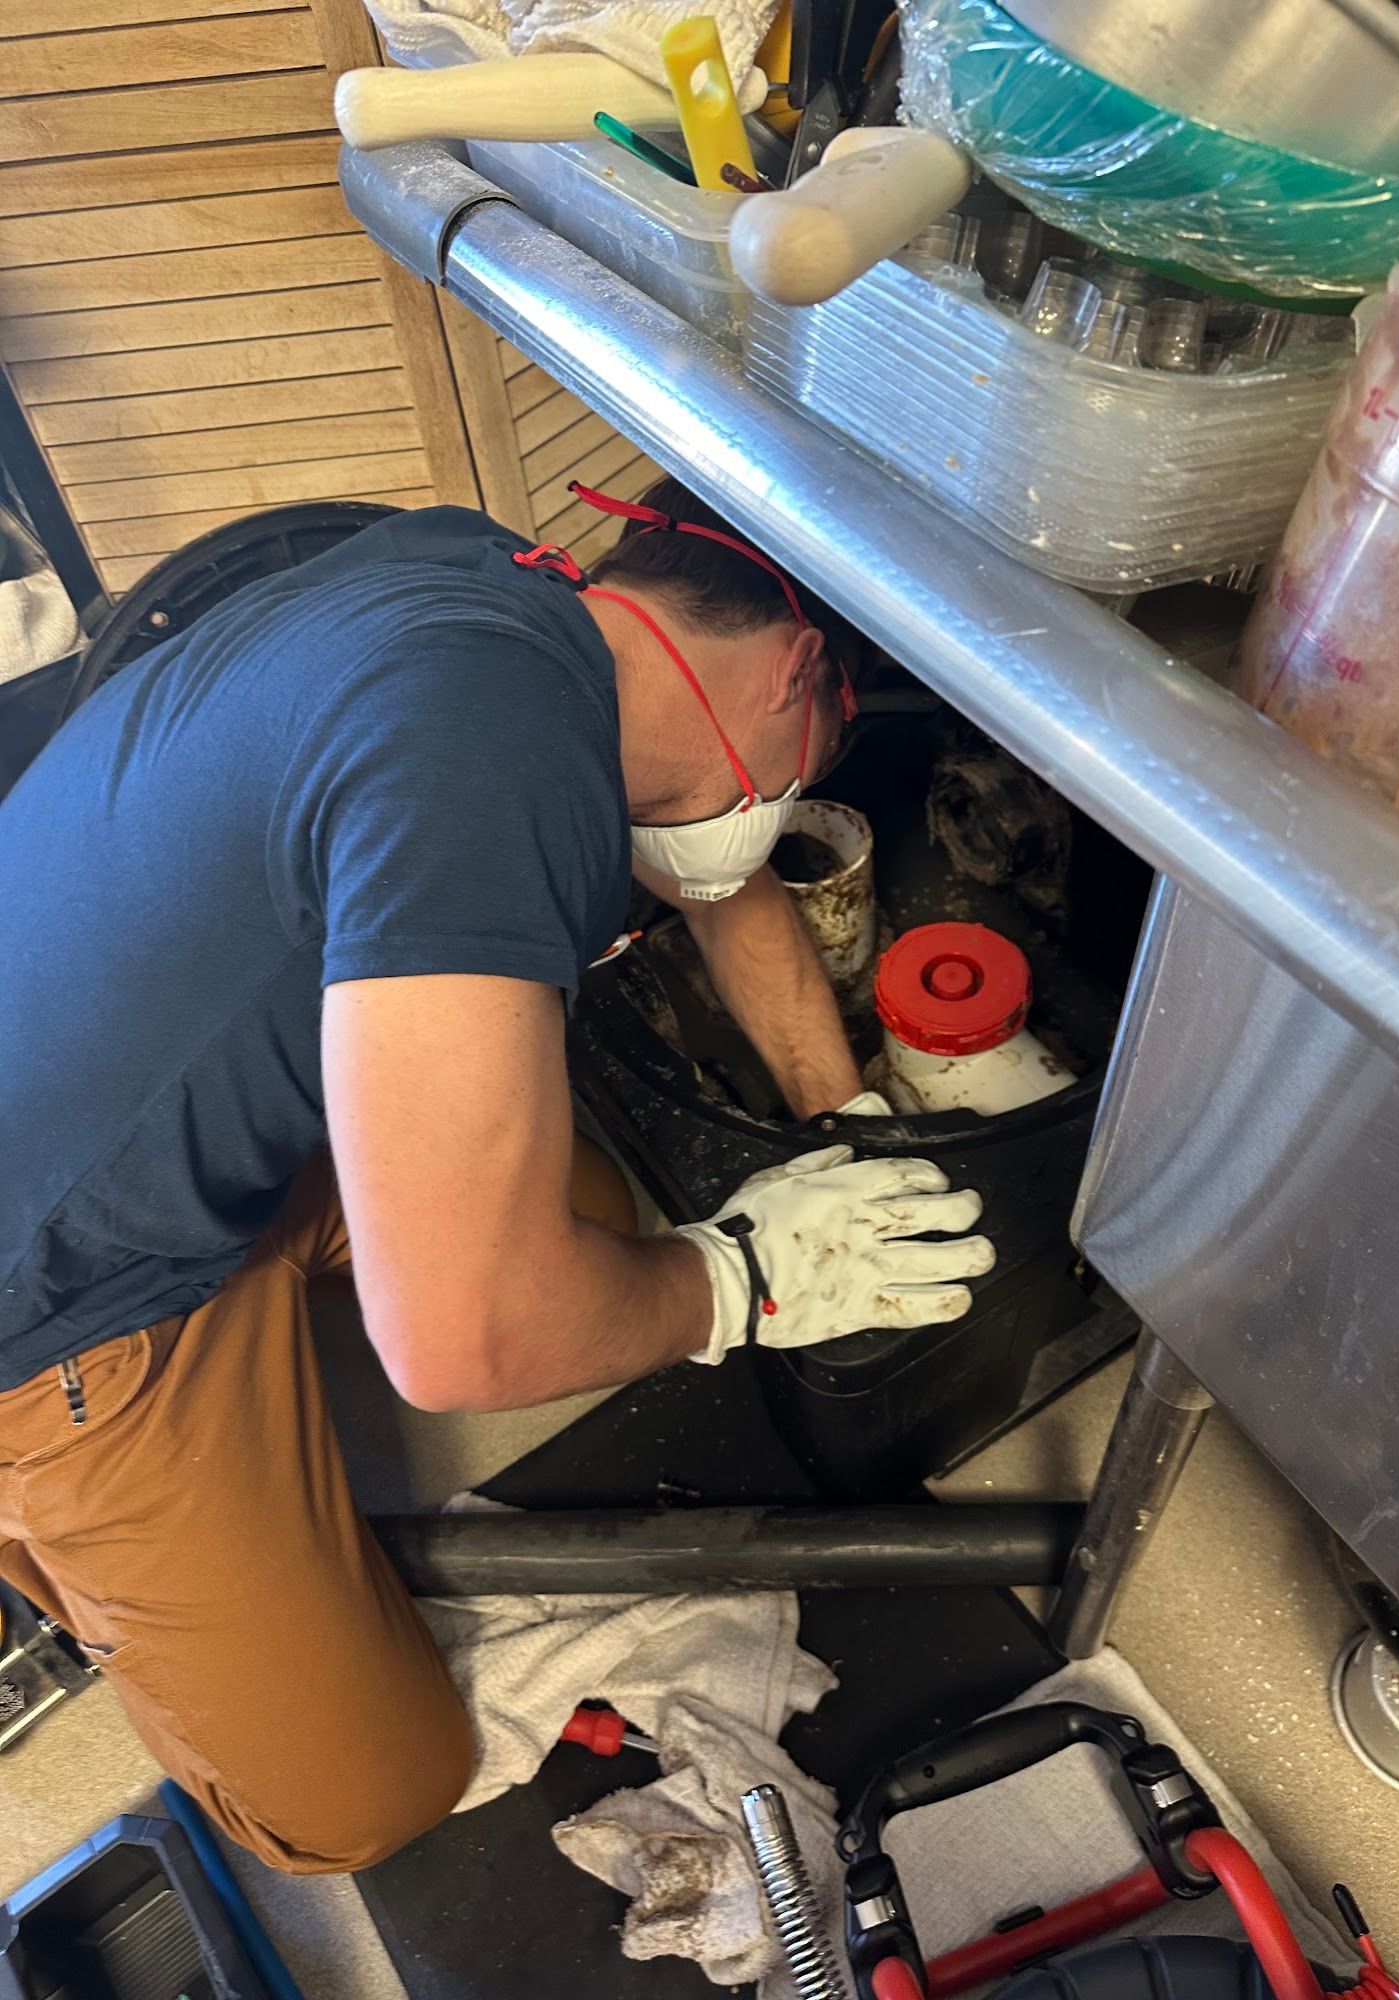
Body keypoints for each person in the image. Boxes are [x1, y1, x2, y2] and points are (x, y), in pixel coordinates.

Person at [0, 479, 992, 1872]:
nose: (800, 797)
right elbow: (464, 1341)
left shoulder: (497, 590)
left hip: (102, 1094)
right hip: (59, 1308)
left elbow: (723, 871)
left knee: (588, 1225)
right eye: (822, 754)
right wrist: (747, 1279)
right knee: (359, 1803)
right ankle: (91, 1552)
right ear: (797, 670)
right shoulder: (486, 762)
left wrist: (849, 1123)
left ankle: (261, 1363)